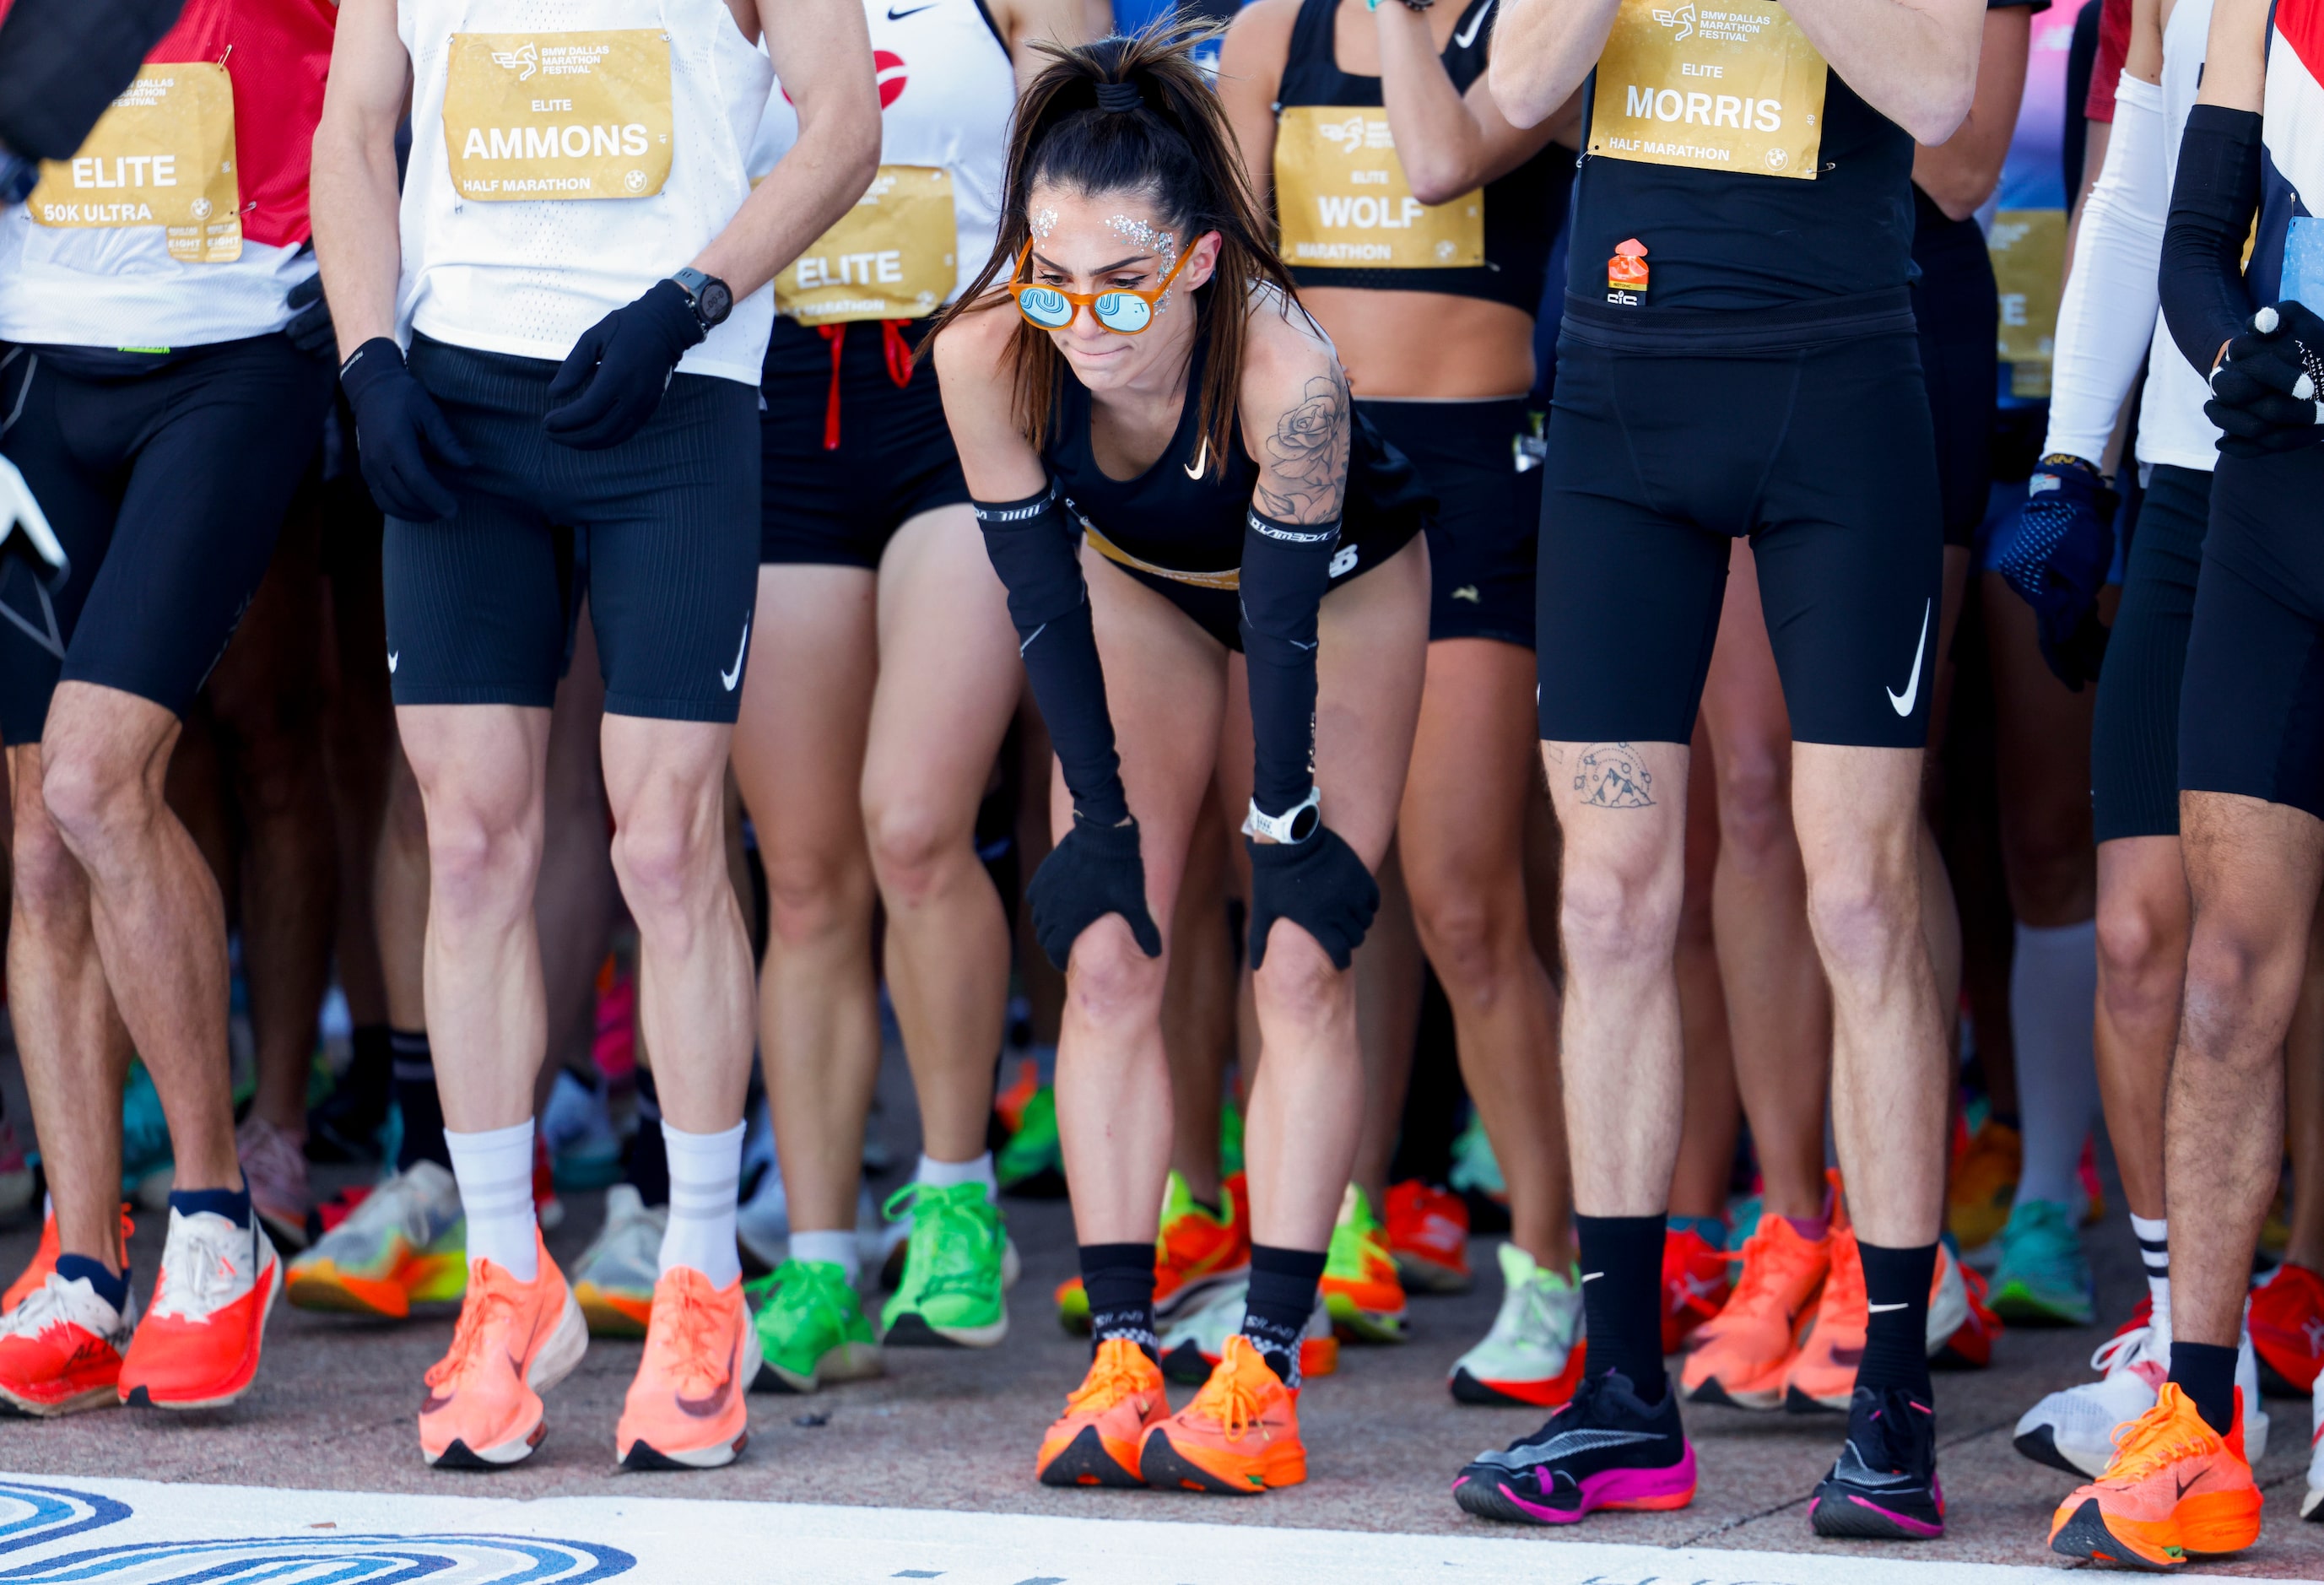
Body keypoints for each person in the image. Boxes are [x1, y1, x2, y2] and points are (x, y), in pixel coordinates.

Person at [309, 0, 878, 1469]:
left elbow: (841, 126)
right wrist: (368, 357)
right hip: (455, 392)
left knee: (669, 841)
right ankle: (508, 1276)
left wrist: (692, 298)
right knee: (474, 838)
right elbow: (352, 127)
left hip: (671, 389)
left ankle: (700, 1275)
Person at [1463, 0, 1981, 1538]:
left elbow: (1944, 91)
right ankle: (1623, 1393)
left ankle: (1890, 1398)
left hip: (1838, 396)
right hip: (1624, 399)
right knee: (1611, 900)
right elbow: (1510, 88)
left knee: (1863, 897)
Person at [930, 24, 1432, 1493]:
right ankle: (1123, 1345)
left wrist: (1288, 833)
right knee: (1104, 946)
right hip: (1138, 578)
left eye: (1124, 281)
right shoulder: (988, 351)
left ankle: (1264, 1364)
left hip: (1334, 585)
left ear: (1202, 261)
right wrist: (1092, 821)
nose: (1082, 319)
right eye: (1051, 274)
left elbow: (1278, 630)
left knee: (1298, 957)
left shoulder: (1289, 378)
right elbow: (1038, 602)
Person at [1216, 0, 1588, 1406]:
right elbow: (1234, 276)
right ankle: (1312, 1246)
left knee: (1463, 897)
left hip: (1479, 470)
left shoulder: (1541, 24)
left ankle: (1550, 1266)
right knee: (1303, 886)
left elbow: (1452, 159)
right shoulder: (1268, 32)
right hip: (1313, 471)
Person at [732, 0, 1094, 1388]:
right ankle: (819, 1256)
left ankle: (953, 1189)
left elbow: (1086, 165)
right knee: (808, 870)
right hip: (775, 394)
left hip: (963, 391)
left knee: (913, 823)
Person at [0, 0, 339, 1417]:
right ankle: (82, 1262)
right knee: (34, 837)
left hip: (229, 351)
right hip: (27, 368)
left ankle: (213, 1215)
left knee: (95, 781)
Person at [2048, 0, 2323, 1562]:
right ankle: (2200, 1428)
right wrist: (2242, 354)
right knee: (2225, 973)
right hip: (2272, 504)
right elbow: (2185, 240)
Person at [2003, 0, 2267, 1483]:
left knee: (2273, 946)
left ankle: (2279, 1318)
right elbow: (2130, 200)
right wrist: (2068, 456)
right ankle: (2181, 1343)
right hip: (2185, 469)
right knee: (2139, 935)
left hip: (2298, 466)